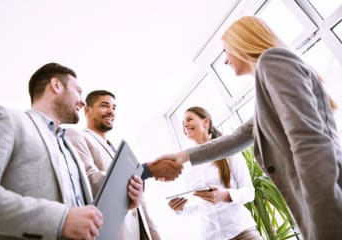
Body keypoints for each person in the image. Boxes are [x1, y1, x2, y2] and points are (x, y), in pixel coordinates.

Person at [153, 16, 342, 240]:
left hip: (328, 203)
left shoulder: (272, 61)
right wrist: (180, 157)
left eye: (226, 51)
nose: (224, 61)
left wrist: (324, 225)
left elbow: (309, 145)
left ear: (242, 43)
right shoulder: (269, 81)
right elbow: (238, 137)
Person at [0, 63, 142, 240]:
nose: (82, 101)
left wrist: (122, 202)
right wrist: (59, 219)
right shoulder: (7, 118)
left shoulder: (69, 147)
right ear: (56, 85)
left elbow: (84, 214)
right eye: (78, 91)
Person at [65, 90, 174, 240]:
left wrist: (154, 235)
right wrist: (145, 171)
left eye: (114, 108)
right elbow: (90, 181)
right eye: (105, 106)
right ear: (87, 110)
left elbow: (141, 204)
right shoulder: (76, 135)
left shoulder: (118, 150)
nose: (111, 111)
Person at [168, 106, 261, 240]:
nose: (185, 125)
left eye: (189, 120)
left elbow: (249, 192)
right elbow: (199, 207)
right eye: (183, 124)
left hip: (241, 231)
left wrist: (225, 195)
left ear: (206, 122)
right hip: (210, 236)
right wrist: (180, 208)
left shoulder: (229, 150)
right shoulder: (187, 165)